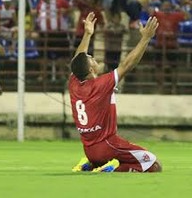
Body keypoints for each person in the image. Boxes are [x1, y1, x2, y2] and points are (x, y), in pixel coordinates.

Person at [70, 13, 163, 173]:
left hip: (89, 150)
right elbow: (127, 64)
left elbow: (78, 60)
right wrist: (145, 38)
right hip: (108, 144)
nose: (94, 58)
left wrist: (87, 34)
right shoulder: (101, 84)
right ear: (91, 69)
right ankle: (113, 168)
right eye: (91, 58)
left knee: (109, 156)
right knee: (154, 165)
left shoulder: (74, 83)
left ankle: (93, 164)